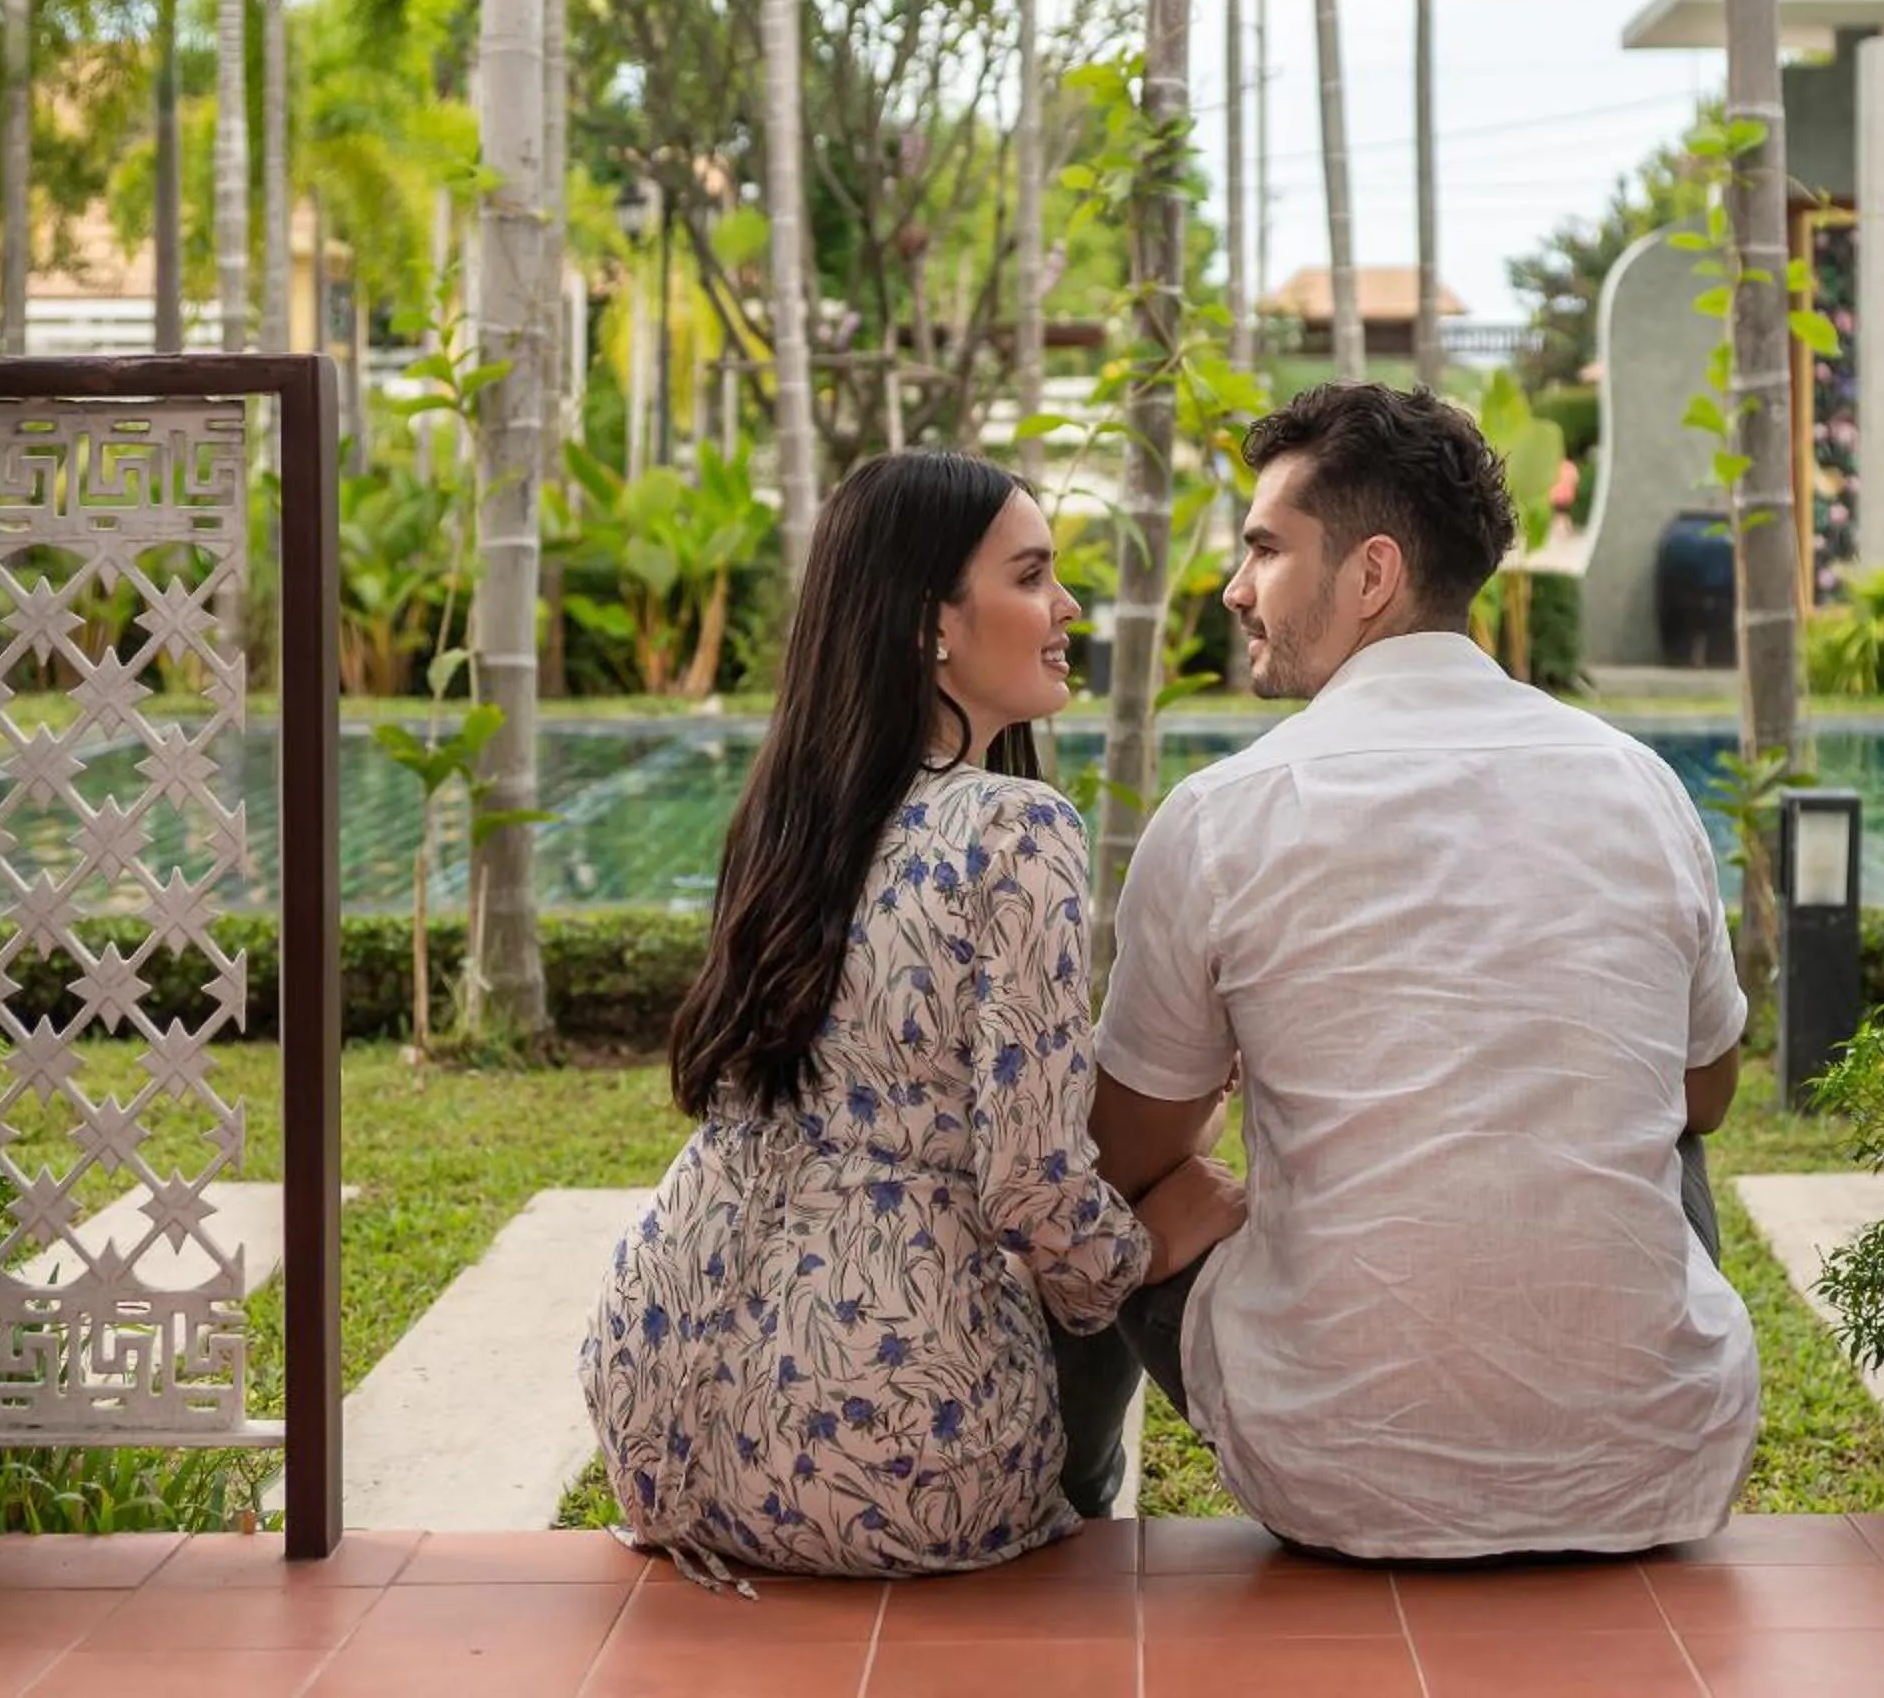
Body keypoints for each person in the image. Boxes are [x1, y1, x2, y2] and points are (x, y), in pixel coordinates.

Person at [1058, 383, 1756, 1560]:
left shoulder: (1224, 815)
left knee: (1112, 1200)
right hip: (1657, 1465)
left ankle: (1073, 1501)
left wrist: (1219, 1136)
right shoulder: (1638, 783)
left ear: (1371, 574)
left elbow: (1119, 1157)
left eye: (1266, 549)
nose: (1236, 589)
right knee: (1665, 1128)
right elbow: (1709, 1092)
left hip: (1331, 1477)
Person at [581, 450, 1248, 1584]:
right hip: (890, 1451)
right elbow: (1031, 1190)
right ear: (930, 622)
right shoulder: (1018, 829)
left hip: (661, 1411)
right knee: (1123, 1241)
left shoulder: (792, 815)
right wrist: (1157, 1239)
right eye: (1031, 576)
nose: (1067, 608)